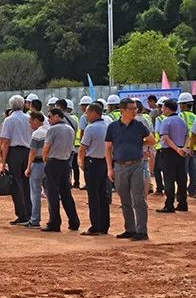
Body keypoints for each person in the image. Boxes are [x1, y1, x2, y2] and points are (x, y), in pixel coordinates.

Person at [105, 99, 154, 241]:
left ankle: (142, 231)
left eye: (135, 109)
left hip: (137, 165)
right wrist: (110, 168)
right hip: (119, 166)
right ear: (122, 111)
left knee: (139, 198)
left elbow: (152, 140)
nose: (135, 111)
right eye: (132, 109)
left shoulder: (139, 125)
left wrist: (141, 141)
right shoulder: (113, 127)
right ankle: (130, 229)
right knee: (124, 199)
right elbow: (108, 148)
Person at [37, 108, 80, 233]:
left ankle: (54, 223)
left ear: (57, 116)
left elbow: (46, 148)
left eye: (50, 117)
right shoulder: (70, 129)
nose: (49, 120)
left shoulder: (53, 129)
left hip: (53, 162)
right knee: (66, 193)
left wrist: (46, 161)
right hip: (65, 163)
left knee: (53, 194)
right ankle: (74, 221)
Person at [0, 95, 32, 226]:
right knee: (27, 183)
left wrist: (3, 161)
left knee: (16, 183)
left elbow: (6, 142)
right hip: (28, 151)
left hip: (15, 153)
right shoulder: (29, 118)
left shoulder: (9, 120)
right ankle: (30, 212)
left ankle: (22, 214)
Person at [78, 102, 109, 235]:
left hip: (93, 163)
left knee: (93, 196)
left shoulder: (91, 128)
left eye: (88, 113)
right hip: (105, 163)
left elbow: (83, 147)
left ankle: (95, 226)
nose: (86, 116)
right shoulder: (108, 126)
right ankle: (104, 225)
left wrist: (81, 162)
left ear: (94, 113)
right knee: (103, 195)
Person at [156, 99, 189, 213]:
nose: (162, 109)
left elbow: (165, 138)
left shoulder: (166, 121)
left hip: (169, 152)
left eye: (163, 107)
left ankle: (169, 204)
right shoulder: (182, 120)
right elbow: (187, 136)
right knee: (181, 178)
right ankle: (183, 203)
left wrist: (176, 149)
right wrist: (183, 148)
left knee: (169, 179)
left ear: (168, 108)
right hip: (181, 151)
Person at [26, 112, 47, 228]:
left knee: (35, 193)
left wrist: (28, 167)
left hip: (38, 164)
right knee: (50, 193)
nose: (30, 124)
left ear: (36, 120)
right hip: (49, 164)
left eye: (31, 121)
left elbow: (33, 151)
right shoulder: (49, 131)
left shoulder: (37, 133)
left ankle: (35, 220)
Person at [178, 93, 196, 197]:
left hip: (185, 146)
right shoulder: (195, 116)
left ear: (183, 105)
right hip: (193, 146)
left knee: (183, 170)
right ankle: (192, 191)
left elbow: (180, 130)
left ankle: (182, 191)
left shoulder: (181, 115)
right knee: (193, 170)